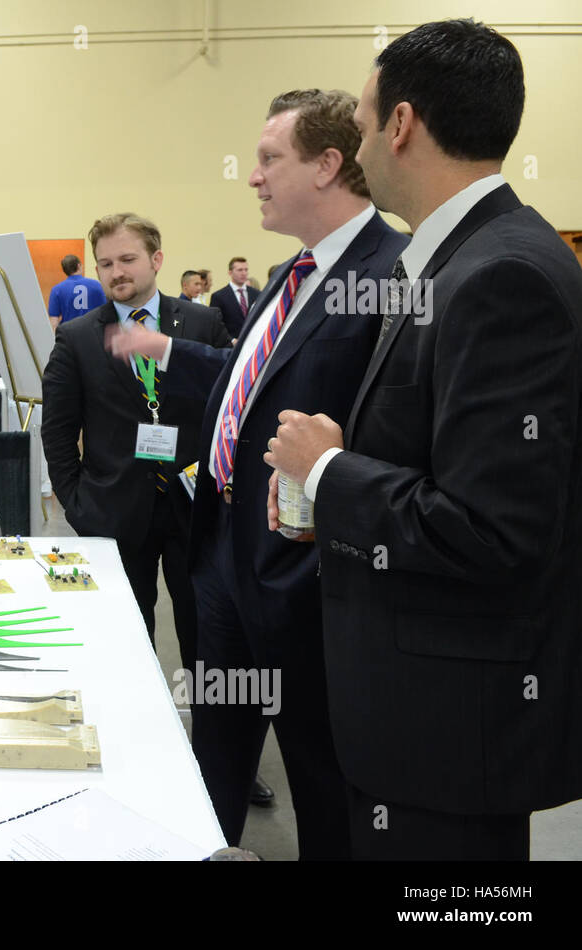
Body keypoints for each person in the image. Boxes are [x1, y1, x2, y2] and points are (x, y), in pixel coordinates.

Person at [266, 19, 582, 860]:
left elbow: (492, 528)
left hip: (449, 732)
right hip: (418, 715)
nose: (359, 142)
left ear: (401, 125)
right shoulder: (453, 264)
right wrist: (343, 473)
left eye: (364, 121)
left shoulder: (500, 276)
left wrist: (328, 471)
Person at [186, 89, 409, 858]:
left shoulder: (393, 274)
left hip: (307, 573)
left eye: (269, 159)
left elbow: (394, 435)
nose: (253, 176)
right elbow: (249, 381)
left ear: (327, 164)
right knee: (214, 748)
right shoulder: (293, 271)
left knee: (320, 773)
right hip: (223, 551)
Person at [43, 213, 231, 665]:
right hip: (113, 511)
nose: (116, 272)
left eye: (127, 258)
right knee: (125, 642)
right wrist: (77, 503)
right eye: (105, 263)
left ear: (157, 259)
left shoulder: (204, 323)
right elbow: (59, 430)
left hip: (196, 508)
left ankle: (205, 735)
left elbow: (231, 404)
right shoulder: (77, 337)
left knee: (206, 639)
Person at [47, 254, 106, 330]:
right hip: (93, 333)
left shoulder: (56, 290)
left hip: (68, 335)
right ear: (79, 265)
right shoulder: (97, 285)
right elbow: (105, 313)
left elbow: (54, 322)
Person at [209, 257, 254, 339]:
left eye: (246, 270)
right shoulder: (219, 296)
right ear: (230, 273)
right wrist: (231, 340)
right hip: (230, 345)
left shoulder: (256, 294)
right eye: (240, 270)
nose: (244, 273)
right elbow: (215, 325)